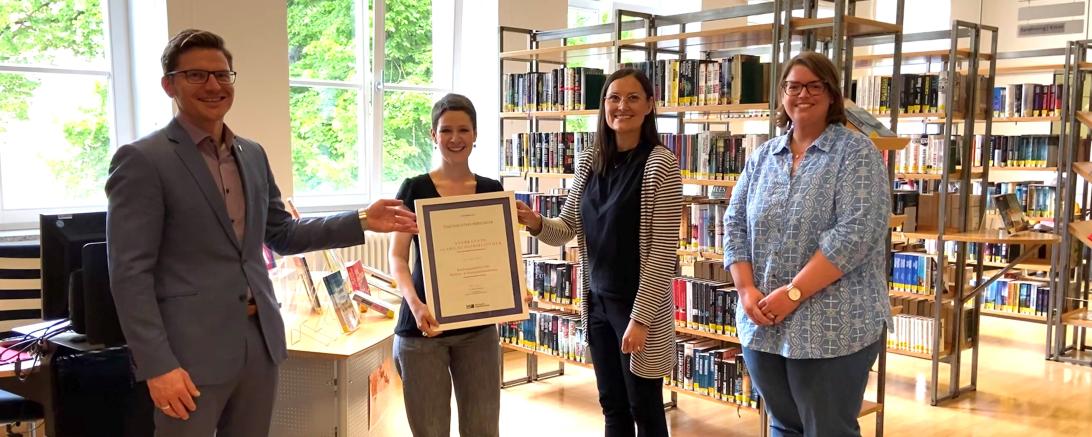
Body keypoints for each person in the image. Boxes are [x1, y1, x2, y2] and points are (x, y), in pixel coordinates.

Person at [105, 28, 417, 437]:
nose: (213, 85)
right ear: (169, 85)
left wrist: (360, 220)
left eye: (222, 75)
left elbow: (283, 234)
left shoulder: (251, 154)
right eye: (196, 75)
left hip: (259, 344)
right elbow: (129, 275)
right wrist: (157, 365)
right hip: (188, 352)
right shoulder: (143, 160)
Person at [722, 51, 892, 437]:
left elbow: (856, 234)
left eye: (815, 86)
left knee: (827, 430)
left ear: (832, 95)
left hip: (833, 328)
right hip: (763, 323)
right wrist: (745, 290)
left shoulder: (857, 153)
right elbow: (734, 223)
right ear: (782, 95)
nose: (803, 94)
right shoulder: (763, 157)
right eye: (794, 86)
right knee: (783, 427)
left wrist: (793, 293)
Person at [516, 68, 682, 437]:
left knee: (644, 407)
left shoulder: (661, 164)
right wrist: (534, 221)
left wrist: (640, 320)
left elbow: (661, 255)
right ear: (603, 105)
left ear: (649, 105)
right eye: (614, 98)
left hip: (637, 308)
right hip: (597, 304)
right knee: (612, 406)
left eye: (633, 98)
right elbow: (566, 227)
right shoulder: (590, 160)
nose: (622, 106)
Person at [389, 93, 523, 437]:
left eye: (463, 129)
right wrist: (415, 305)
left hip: (477, 332)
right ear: (433, 135)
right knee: (430, 431)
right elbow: (397, 257)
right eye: (446, 130)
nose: (455, 138)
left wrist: (512, 290)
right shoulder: (414, 189)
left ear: (475, 134)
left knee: (483, 430)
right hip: (423, 330)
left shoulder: (492, 190)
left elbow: (500, 255)